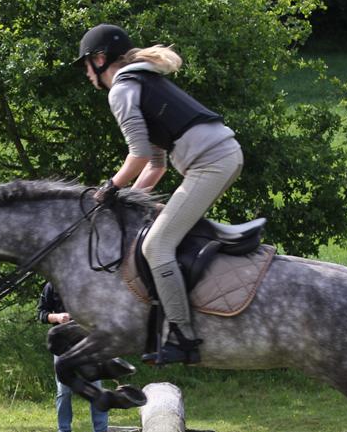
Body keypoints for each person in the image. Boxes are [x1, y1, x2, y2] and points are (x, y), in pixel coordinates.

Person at [76, 23, 244, 366]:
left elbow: (136, 156)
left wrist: (108, 189)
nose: (86, 74)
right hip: (220, 158)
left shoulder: (121, 90)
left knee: (156, 245)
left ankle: (183, 335)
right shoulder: (142, 82)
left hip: (211, 164)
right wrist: (126, 200)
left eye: (85, 65)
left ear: (100, 59)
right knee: (156, 228)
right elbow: (156, 165)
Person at [37, 282, 109, 432]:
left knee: (95, 387)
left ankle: (101, 431)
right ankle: (63, 431)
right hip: (62, 346)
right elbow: (41, 313)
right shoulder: (51, 286)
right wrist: (57, 317)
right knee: (64, 391)